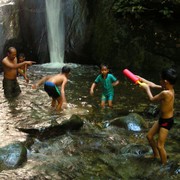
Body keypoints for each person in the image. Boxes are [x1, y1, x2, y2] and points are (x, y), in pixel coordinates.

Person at [140, 68, 177, 165]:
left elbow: (152, 99)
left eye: (161, 80)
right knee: (149, 136)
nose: (159, 82)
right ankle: (156, 155)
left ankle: (164, 165)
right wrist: (141, 79)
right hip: (162, 119)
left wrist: (146, 88)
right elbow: (152, 85)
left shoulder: (165, 93)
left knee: (160, 145)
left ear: (165, 81)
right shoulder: (169, 88)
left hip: (167, 121)